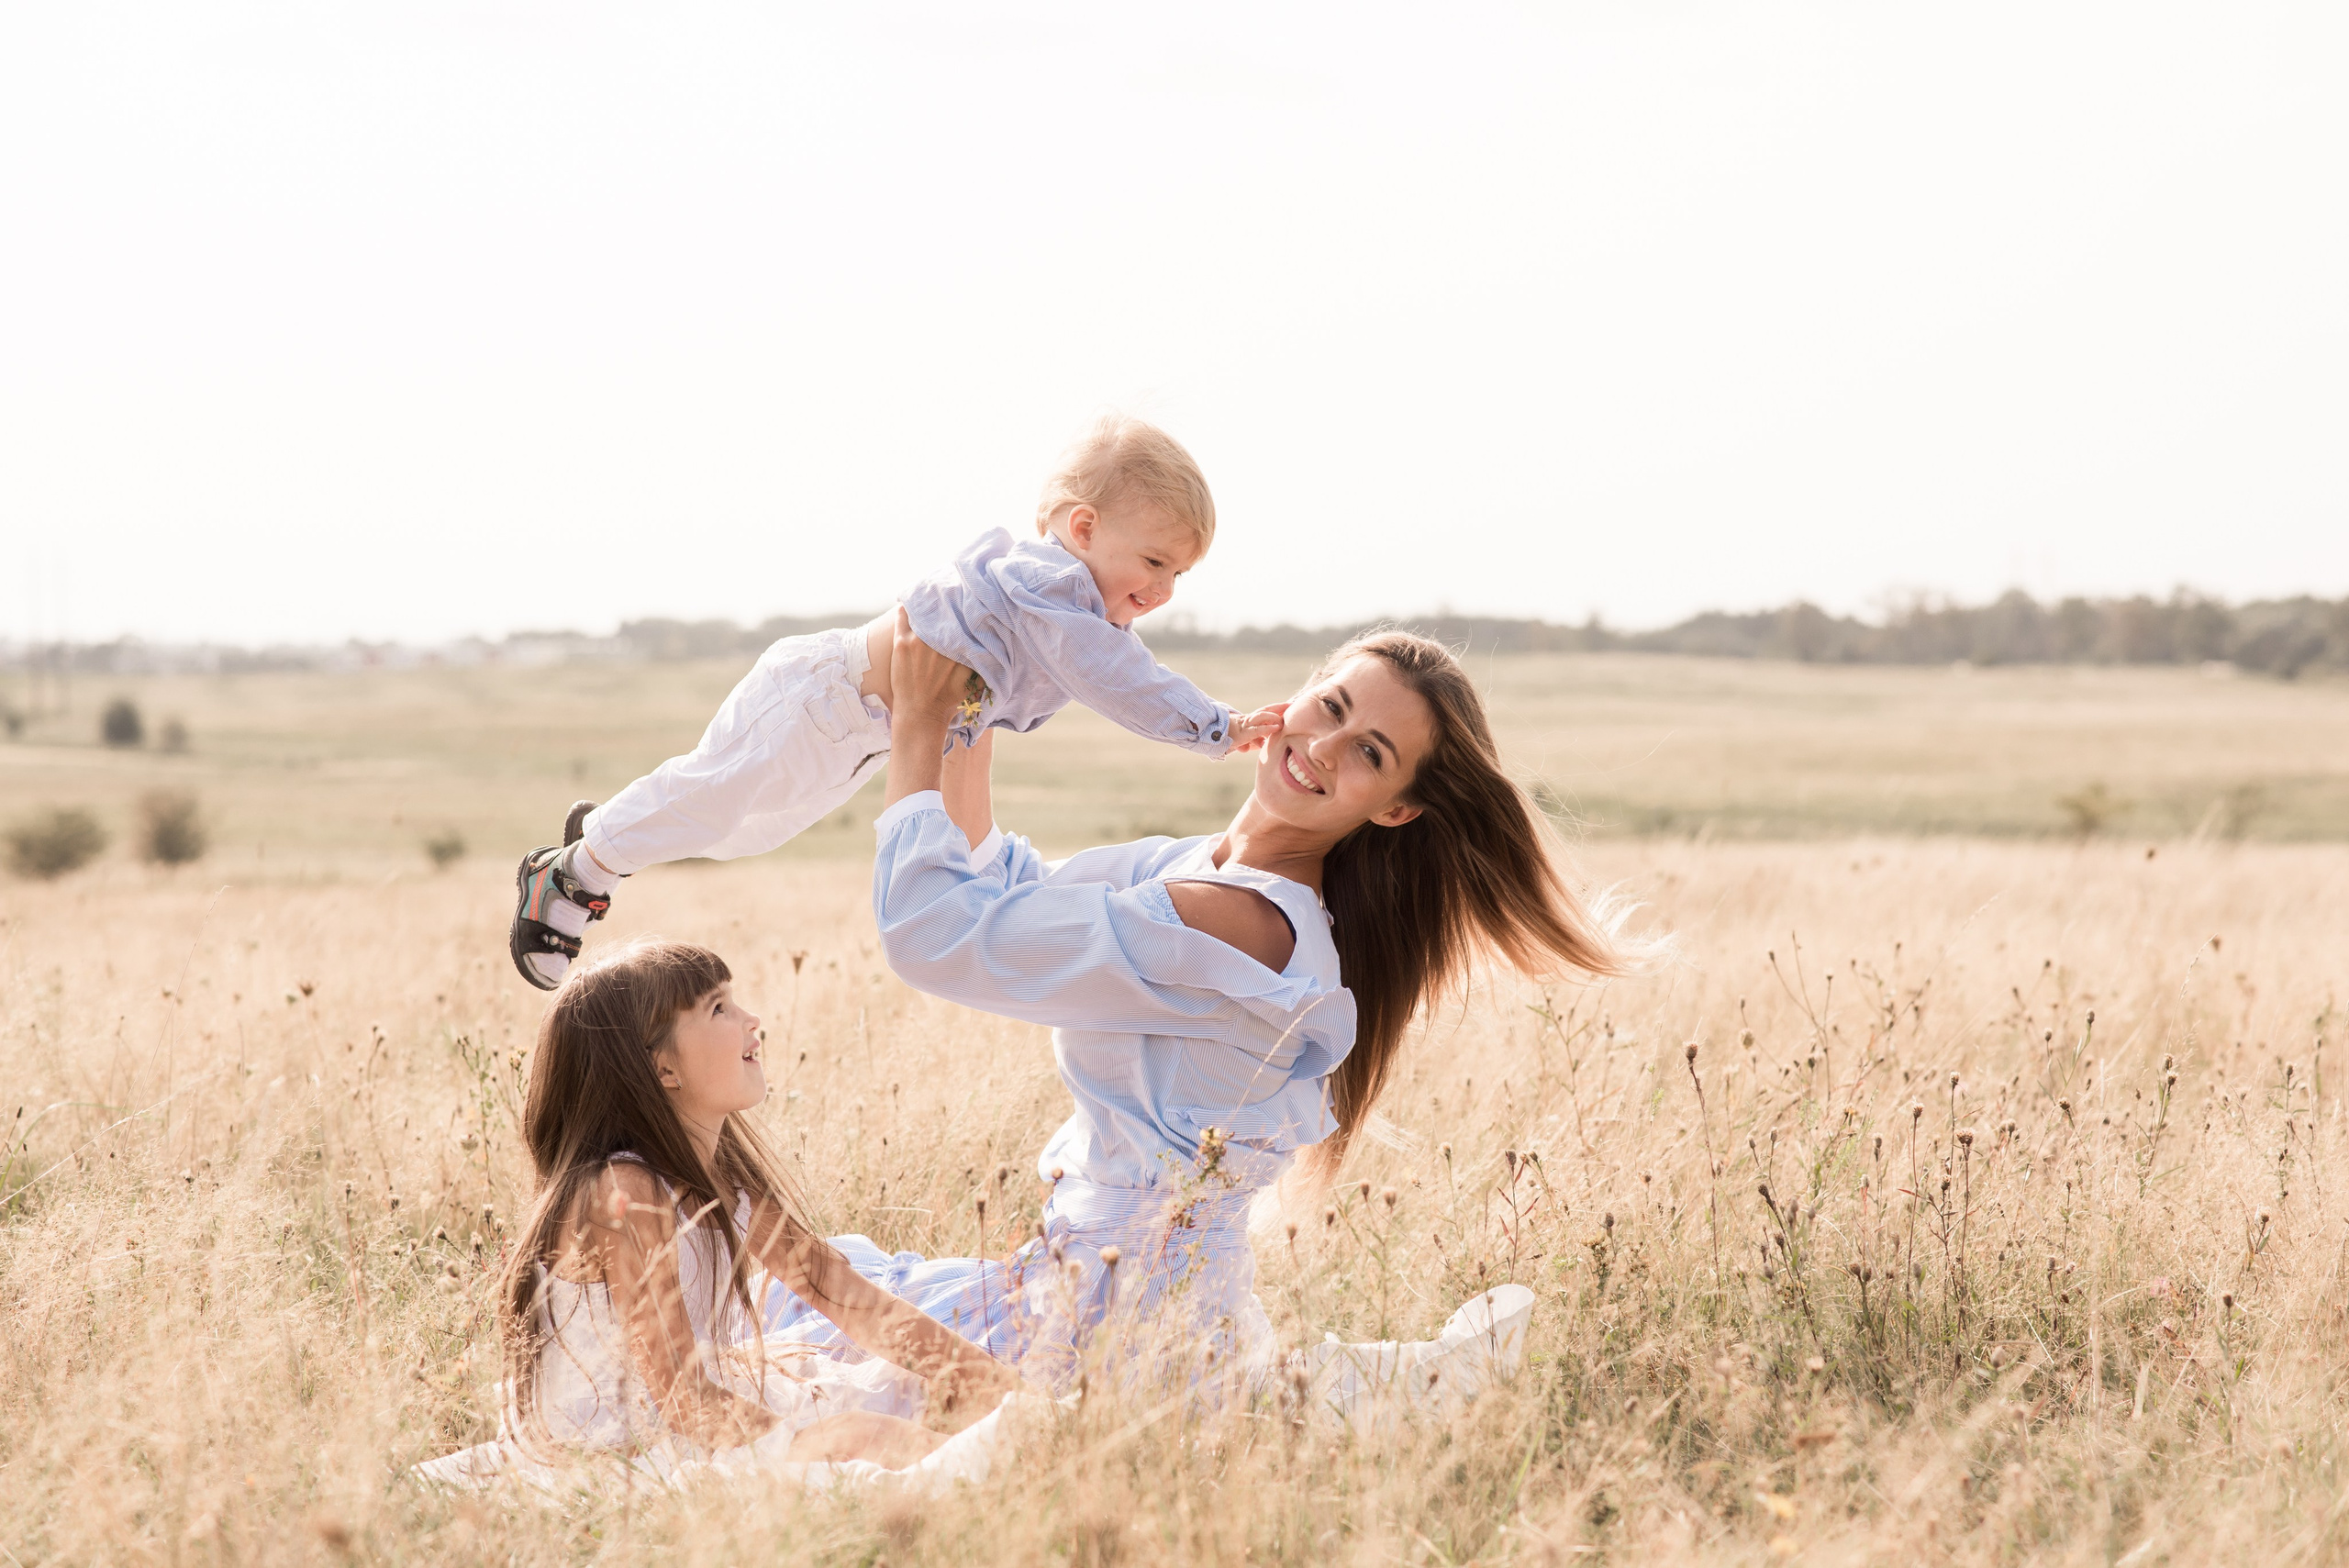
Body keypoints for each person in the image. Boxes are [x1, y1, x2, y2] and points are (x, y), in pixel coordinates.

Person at [756, 616, 1641, 1400]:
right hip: (1089, 1285)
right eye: (1331, 706)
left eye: (1371, 752)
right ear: (1294, 699)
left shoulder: (1244, 925)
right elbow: (1004, 889)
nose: (1327, 747)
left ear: (1397, 807)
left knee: (788, 1393)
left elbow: (935, 933)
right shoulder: (1201, 868)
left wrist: (918, 724)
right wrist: (973, 689)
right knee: (765, 1303)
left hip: (1119, 1328)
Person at [508, 415, 1282, 990]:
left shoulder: (1067, 610)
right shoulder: (1050, 587)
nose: (1163, 592)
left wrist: (985, 875)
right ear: (1082, 527)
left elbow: (978, 742)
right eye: (1154, 562)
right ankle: (573, 869)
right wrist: (1219, 728)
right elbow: (1121, 677)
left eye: (1179, 575)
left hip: (861, 733)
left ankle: (616, 829)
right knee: (713, 800)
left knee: (747, 831)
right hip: (824, 697)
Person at [416, 940, 1027, 1490]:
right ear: (664, 1068)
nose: (751, 1021)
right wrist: (802, 1438)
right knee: (872, 1439)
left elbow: (849, 1298)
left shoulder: (722, 1183)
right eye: (718, 1009)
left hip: (690, 1415)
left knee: (925, 1390)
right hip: (614, 1454)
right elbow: (680, 1395)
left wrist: (1004, 1393)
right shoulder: (627, 1193)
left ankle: (1021, 1447)